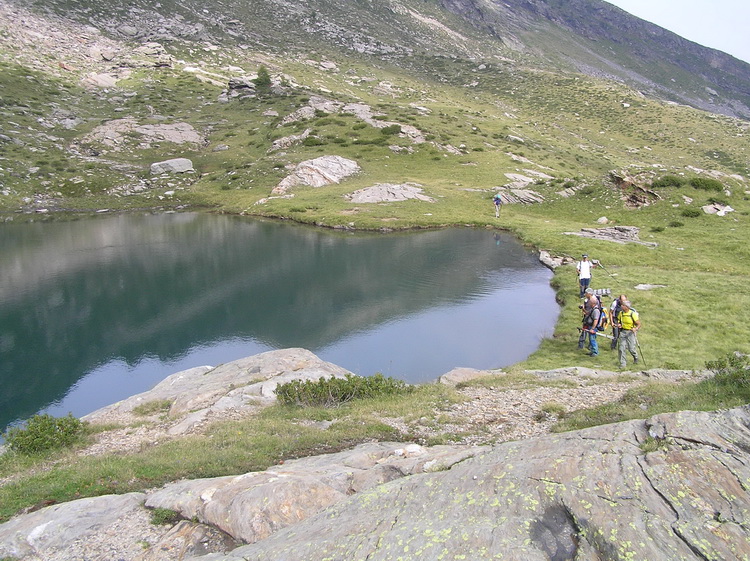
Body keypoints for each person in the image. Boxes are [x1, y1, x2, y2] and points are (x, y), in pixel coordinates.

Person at [616, 300, 641, 369]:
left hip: (630, 332)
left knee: (631, 348)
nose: (621, 306)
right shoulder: (621, 313)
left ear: (626, 307)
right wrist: (619, 325)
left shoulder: (632, 314)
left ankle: (635, 357)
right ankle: (623, 364)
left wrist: (635, 329)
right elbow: (619, 321)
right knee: (621, 348)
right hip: (623, 332)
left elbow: (639, 324)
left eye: (623, 305)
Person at [578, 289, 600, 357]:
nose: (589, 303)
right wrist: (583, 308)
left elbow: (596, 320)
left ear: (593, 303)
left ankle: (595, 352)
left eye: (590, 302)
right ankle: (592, 351)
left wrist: (592, 329)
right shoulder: (592, 309)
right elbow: (587, 313)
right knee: (591, 339)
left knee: (592, 340)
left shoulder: (596, 310)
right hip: (589, 325)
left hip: (592, 327)